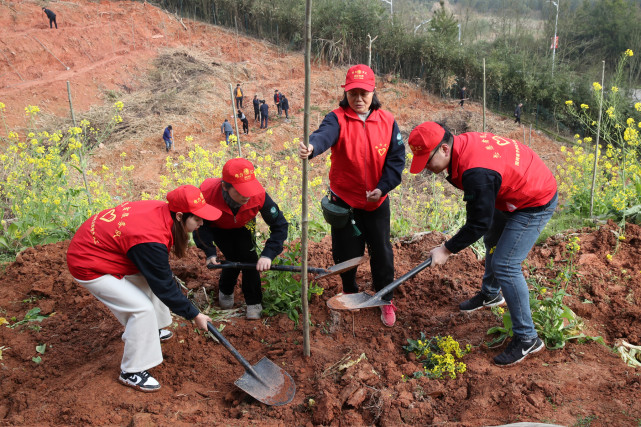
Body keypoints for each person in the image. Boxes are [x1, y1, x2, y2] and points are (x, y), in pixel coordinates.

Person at [407, 121, 558, 366]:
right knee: (493, 238)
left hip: (534, 199)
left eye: (427, 160)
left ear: (444, 149)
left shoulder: (476, 172)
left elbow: (477, 223)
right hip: (512, 186)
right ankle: (490, 294)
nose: (425, 167)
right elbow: (483, 220)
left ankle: (527, 338)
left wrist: (446, 249)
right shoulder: (461, 146)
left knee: (506, 265)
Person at [66, 185, 221, 392]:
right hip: (89, 263)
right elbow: (165, 287)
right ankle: (131, 371)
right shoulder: (150, 239)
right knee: (141, 309)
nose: (202, 223)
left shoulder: (163, 211)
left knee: (154, 281)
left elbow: (160, 278)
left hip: (109, 250)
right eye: (197, 219)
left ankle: (152, 329)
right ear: (180, 216)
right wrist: (195, 315)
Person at [298, 64, 405, 327]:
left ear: (373, 92)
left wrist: (383, 187)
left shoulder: (388, 121)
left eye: (364, 93)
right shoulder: (336, 118)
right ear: (345, 92)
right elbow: (324, 136)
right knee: (345, 252)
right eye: (352, 93)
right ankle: (349, 290)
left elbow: (396, 160)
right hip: (344, 201)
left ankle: (384, 297)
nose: (358, 99)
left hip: (376, 201)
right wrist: (312, 147)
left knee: (381, 251)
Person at [194, 158, 288, 320]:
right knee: (232, 258)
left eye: (249, 190)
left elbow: (280, 225)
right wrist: (209, 251)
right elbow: (200, 227)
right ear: (225, 186)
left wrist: (268, 254)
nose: (247, 196)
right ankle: (225, 290)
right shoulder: (207, 195)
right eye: (240, 191)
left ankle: (253, 302)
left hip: (244, 224)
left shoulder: (258, 195)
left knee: (249, 258)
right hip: (218, 227)